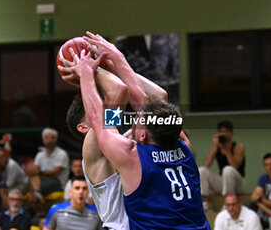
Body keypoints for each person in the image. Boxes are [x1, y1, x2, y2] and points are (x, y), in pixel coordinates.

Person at [61, 32, 210, 229]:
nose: (132, 117)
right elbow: (146, 99)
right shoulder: (181, 146)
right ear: (83, 127)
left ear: (143, 135)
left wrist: (88, 71)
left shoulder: (128, 151)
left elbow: (119, 95)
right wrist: (113, 61)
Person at [198, 120, 245, 211]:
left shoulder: (239, 147)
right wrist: (215, 147)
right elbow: (206, 164)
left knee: (227, 169)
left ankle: (227, 203)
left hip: (238, 183)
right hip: (223, 182)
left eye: (227, 132)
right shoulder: (217, 146)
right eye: (222, 132)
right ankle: (206, 201)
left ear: (232, 133)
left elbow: (235, 166)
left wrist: (227, 151)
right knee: (202, 170)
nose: (225, 134)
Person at [25, 128, 69, 203]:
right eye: (47, 138)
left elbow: (55, 172)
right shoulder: (40, 154)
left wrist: (39, 172)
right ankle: (37, 193)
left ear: (56, 140)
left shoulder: (62, 154)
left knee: (32, 187)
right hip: (42, 180)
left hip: (58, 182)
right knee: (31, 180)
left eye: (52, 138)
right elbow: (35, 170)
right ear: (43, 140)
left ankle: (36, 194)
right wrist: (32, 171)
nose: (49, 140)